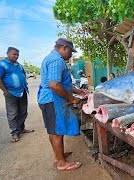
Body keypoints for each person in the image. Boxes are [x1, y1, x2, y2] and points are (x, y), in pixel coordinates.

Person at [38, 38, 85, 170]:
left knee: (53, 130)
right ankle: (61, 163)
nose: (71, 55)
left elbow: (61, 82)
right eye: (71, 51)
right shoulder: (56, 60)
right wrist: (73, 98)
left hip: (48, 100)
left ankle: (58, 156)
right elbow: (54, 85)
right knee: (57, 132)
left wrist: (76, 90)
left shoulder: (52, 58)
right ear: (64, 47)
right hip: (52, 100)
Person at [0, 47, 34, 142]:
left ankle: (21, 128)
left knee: (23, 112)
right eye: (14, 54)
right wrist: (6, 92)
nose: (16, 56)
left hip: (22, 91)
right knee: (13, 114)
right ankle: (15, 133)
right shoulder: (0, 64)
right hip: (11, 93)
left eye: (17, 55)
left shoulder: (18, 65)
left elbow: (23, 75)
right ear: (7, 53)